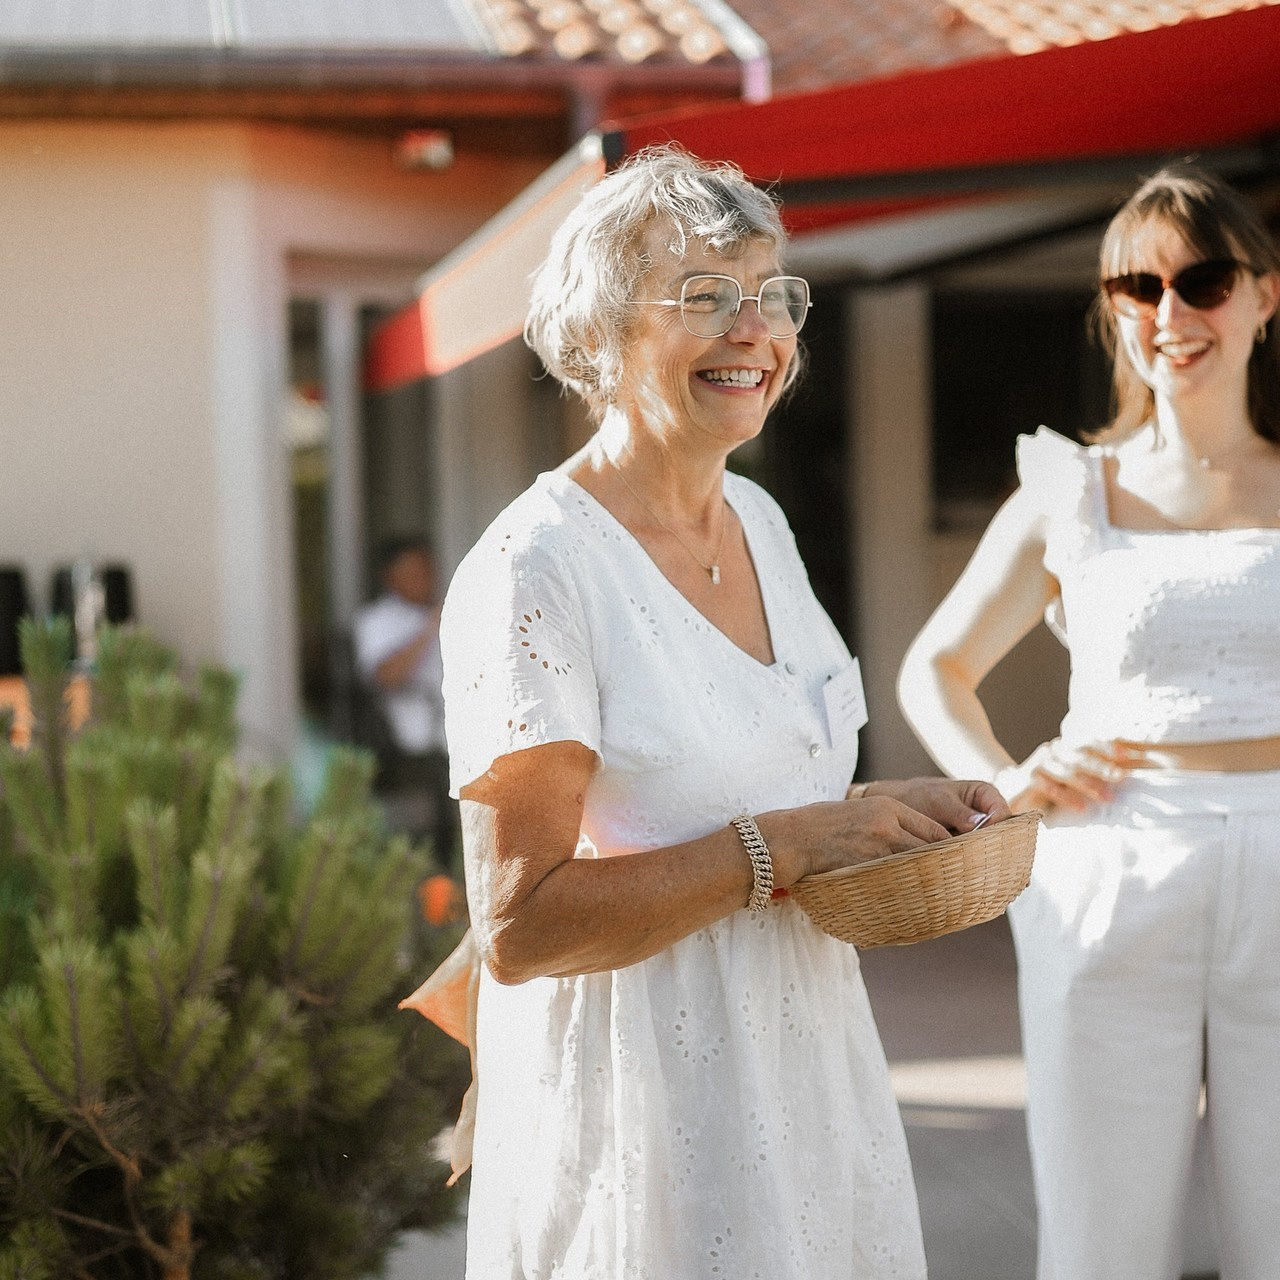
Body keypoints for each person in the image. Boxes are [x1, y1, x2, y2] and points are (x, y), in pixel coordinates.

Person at [435, 144, 1008, 1279]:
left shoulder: (760, 518)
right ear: (600, 335)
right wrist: (788, 844)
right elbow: (518, 921)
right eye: (703, 297)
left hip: (804, 1067)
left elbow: (743, 785)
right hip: (644, 1113)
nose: (754, 329)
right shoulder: (536, 570)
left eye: (772, 295)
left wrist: (877, 813)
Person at [897, 163, 1280, 1280]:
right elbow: (936, 666)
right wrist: (1007, 778)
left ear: (1263, 293)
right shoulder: (1068, 489)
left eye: (1202, 280)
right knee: (1100, 1236)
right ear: (1109, 308)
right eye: (1136, 286)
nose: (1171, 314)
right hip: (1110, 856)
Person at [353, 536, 455, 867]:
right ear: (390, 577)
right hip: (415, 730)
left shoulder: (453, 610)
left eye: (426, 570)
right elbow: (386, 676)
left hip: (460, 718)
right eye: (412, 572)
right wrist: (428, 629)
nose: (423, 579)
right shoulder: (377, 620)